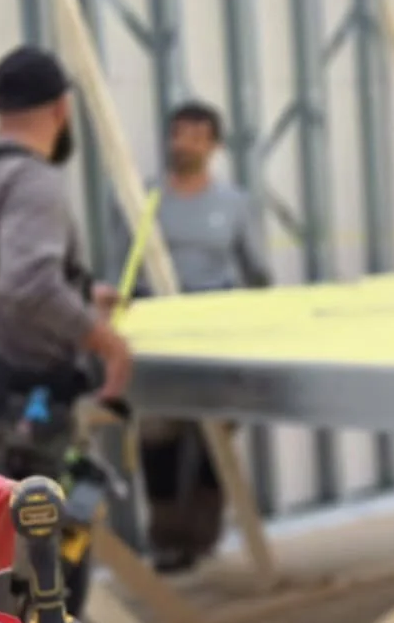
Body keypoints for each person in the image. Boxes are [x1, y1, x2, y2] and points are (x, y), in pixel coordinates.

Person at [0, 44, 133, 616]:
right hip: (29, 425)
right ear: (62, 108)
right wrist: (105, 340)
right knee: (47, 596)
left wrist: (79, 294)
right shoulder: (32, 181)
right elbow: (26, 286)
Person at [108, 98, 271, 572]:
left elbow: (258, 272)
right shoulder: (144, 199)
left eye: (197, 137)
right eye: (179, 134)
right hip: (159, 332)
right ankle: (166, 537)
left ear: (214, 146)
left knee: (214, 436)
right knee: (159, 434)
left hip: (217, 332)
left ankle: (203, 534)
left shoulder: (234, 204)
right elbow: (120, 267)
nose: (185, 144)